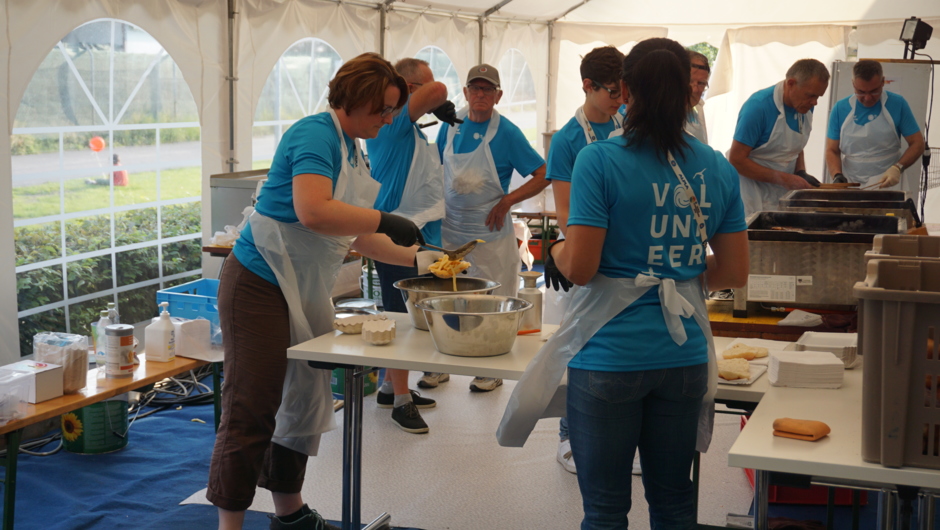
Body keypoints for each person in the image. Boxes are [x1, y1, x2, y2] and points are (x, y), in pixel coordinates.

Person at [497, 37, 749, 529]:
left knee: (607, 509)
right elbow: (735, 271)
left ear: (626, 90)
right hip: (684, 355)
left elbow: (583, 267)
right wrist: (676, 274)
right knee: (675, 503)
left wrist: (553, 249)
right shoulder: (715, 166)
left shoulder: (600, 160)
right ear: (688, 92)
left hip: (610, 355)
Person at [207, 53, 425, 530]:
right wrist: (384, 217)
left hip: (301, 287)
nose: (389, 120)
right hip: (260, 282)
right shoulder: (315, 134)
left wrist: (420, 260)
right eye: (383, 110)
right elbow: (313, 212)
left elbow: (349, 234)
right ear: (355, 99)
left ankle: (290, 513)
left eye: (393, 111)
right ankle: (229, 525)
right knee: (253, 404)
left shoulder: (352, 145)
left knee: (304, 398)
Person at [435, 63, 549, 393]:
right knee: (448, 300)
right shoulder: (450, 127)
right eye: (475, 88)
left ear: (498, 96)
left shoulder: (508, 133)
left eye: (488, 89)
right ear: (466, 92)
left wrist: (507, 201)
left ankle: (491, 369)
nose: (481, 95)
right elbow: (438, 170)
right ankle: (439, 366)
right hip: (451, 229)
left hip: (490, 234)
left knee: (494, 300)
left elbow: (544, 174)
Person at [365, 57, 462, 433]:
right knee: (401, 319)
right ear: (408, 91)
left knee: (411, 314)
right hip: (397, 234)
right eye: (424, 86)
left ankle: (392, 387)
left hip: (420, 231)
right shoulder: (393, 128)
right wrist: (435, 96)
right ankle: (401, 400)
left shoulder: (412, 132)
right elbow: (439, 91)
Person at [544, 45, 624, 475]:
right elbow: (565, 207)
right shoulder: (569, 139)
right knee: (580, 345)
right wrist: (571, 254)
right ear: (587, 86)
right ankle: (568, 435)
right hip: (586, 245)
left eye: (624, 92)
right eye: (612, 91)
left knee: (616, 349)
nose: (619, 99)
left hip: (623, 252)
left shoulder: (627, 123)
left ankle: (619, 439)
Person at [728, 58, 830, 217]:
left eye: (819, 96)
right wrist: (784, 179)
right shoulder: (758, 107)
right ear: (791, 84)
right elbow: (736, 160)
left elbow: (796, 144)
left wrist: (800, 171)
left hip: (782, 191)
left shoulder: (805, 106)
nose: (815, 102)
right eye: (810, 95)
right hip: (750, 192)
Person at [825, 59, 925, 189]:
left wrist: (898, 167)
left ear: (883, 82)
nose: (867, 98)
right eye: (861, 92)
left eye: (874, 91)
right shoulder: (840, 108)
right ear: (853, 84)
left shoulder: (897, 104)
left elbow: (917, 143)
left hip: (887, 181)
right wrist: (837, 176)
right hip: (850, 180)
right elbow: (832, 150)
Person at [685, 50, 710, 145]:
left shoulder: (696, 115)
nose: (695, 90)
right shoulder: (661, 117)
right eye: (690, 81)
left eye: (701, 83)